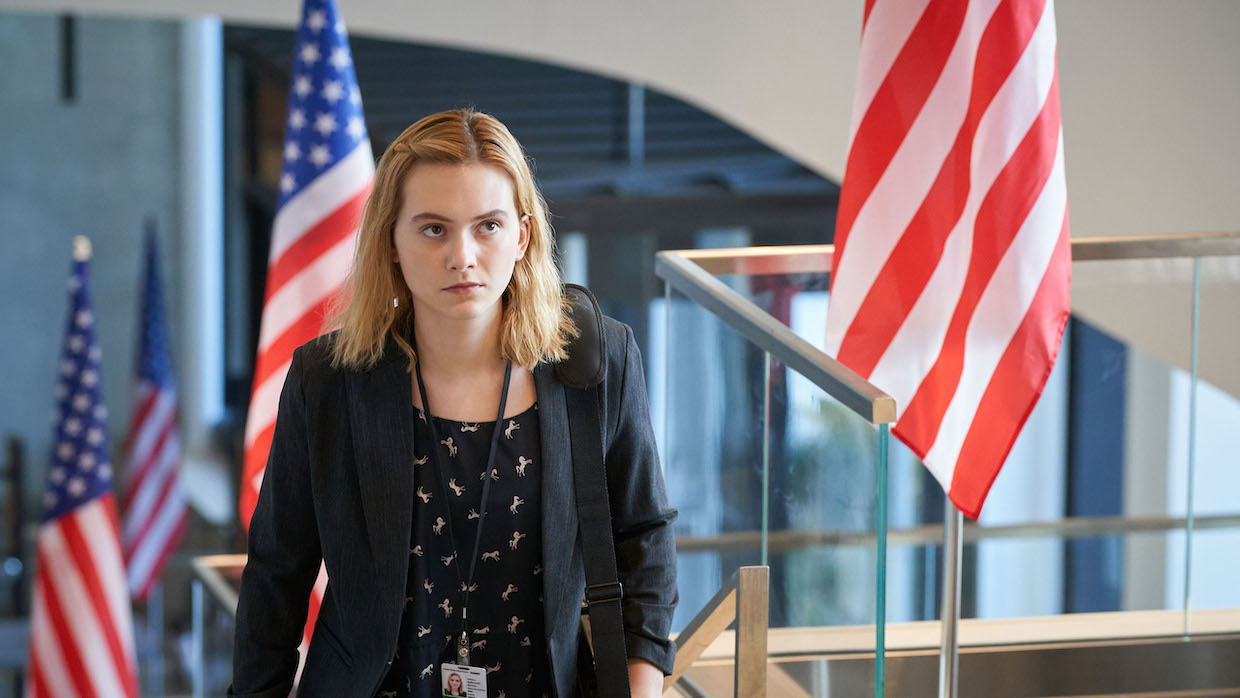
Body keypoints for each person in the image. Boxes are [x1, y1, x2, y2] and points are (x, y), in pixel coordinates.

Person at [230, 109, 678, 698]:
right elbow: (274, 580)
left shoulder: (598, 361)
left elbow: (644, 539)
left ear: (523, 235)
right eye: (433, 228)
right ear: (391, 240)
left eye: (487, 226)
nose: (462, 256)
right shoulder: (328, 381)